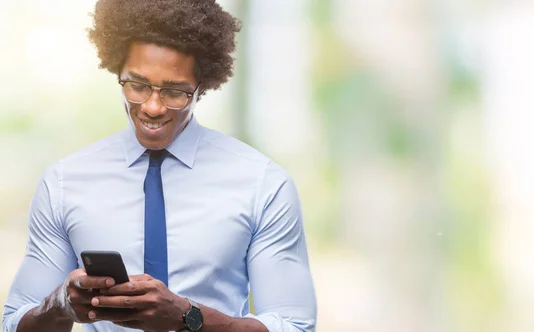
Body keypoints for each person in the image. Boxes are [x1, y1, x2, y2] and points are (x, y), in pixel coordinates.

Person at [1, 0, 317, 331]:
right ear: (117, 72)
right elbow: (14, 324)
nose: (152, 107)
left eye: (175, 92)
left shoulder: (262, 184)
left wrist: (188, 317)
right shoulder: (64, 183)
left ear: (201, 87)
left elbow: (295, 326)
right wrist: (61, 305)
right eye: (137, 85)